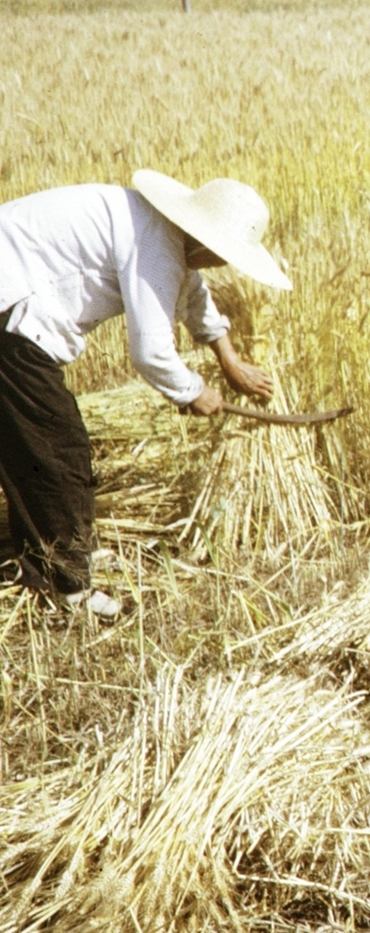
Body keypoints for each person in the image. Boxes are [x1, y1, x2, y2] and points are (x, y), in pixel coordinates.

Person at [0, 171, 289, 616]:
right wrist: (193, 391)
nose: (222, 264)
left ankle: (43, 561)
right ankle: (68, 589)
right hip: (10, 305)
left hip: (11, 292)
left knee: (31, 445)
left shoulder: (162, 230)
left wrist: (229, 361)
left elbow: (193, 295)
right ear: (206, 242)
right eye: (223, 254)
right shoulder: (158, 246)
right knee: (59, 449)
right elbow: (151, 352)